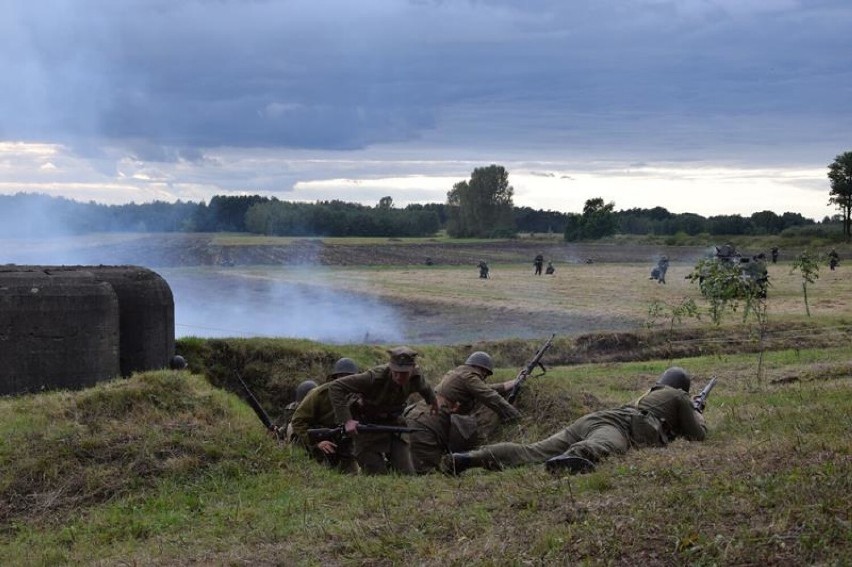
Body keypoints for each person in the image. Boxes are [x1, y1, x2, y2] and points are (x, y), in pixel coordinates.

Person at [442, 367, 707, 476]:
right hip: (615, 427)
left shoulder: (650, 395)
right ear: (682, 388)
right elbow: (698, 435)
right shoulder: (678, 396)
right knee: (607, 446)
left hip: (594, 419)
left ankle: (470, 457)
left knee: (532, 450)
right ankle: (573, 457)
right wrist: (697, 411)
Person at [328, 346, 439, 475]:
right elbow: (335, 387)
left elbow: (425, 388)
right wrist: (347, 421)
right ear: (390, 367)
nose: (398, 376)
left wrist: (433, 401)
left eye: (404, 373)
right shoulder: (374, 377)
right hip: (367, 425)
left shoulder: (416, 377)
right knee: (377, 475)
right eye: (395, 372)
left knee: (407, 475)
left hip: (394, 424)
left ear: (412, 369)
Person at [405, 351, 521, 474]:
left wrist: (508, 384)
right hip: (427, 424)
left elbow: (482, 388)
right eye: (485, 374)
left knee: (411, 466)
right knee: (426, 472)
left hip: (418, 417)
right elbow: (489, 396)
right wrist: (514, 415)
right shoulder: (469, 376)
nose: (484, 377)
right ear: (482, 370)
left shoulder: (459, 373)